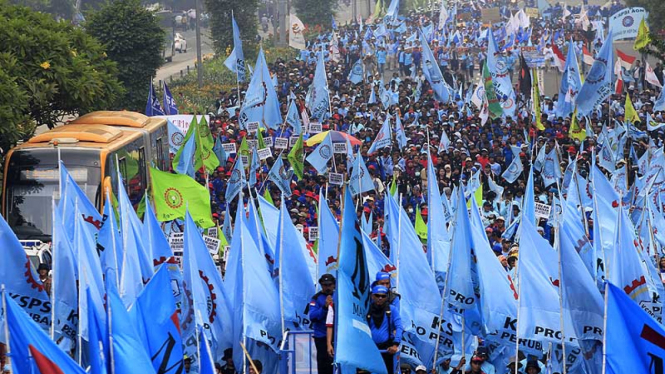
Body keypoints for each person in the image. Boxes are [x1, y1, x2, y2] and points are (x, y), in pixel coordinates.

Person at [368, 285, 403, 374]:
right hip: (371, 349)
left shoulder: (392, 310)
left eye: (383, 296)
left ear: (386, 297)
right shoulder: (367, 309)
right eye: (377, 295)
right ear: (372, 296)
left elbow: (399, 327)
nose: (380, 298)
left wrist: (395, 344)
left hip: (387, 349)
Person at [308, 274, 336, 374]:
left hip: (338, 336)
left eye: (330, 284)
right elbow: (313, 316)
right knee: (324, 366)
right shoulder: (316, 298)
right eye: (325, 285)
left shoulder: (339, 295)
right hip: (322, 337)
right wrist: (324, 307)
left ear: (334, 285)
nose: (327, 287)